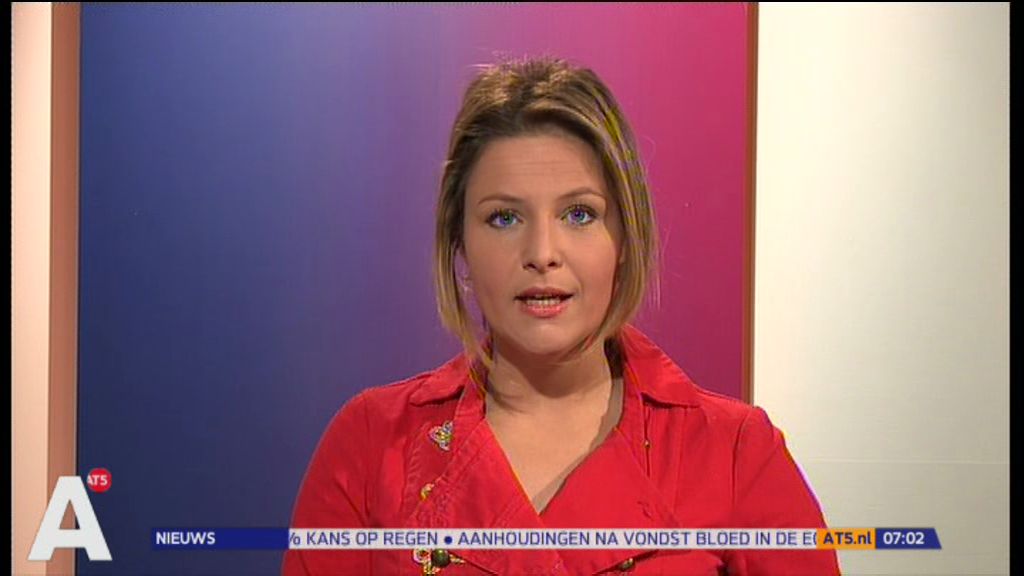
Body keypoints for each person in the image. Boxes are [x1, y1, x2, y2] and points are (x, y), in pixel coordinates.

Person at [283, 56, 839, 575]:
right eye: (504, 218)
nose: (543, 252)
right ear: (460, 244)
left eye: (579, 214)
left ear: (625, 237)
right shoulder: (371, 444)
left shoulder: (736, 451)